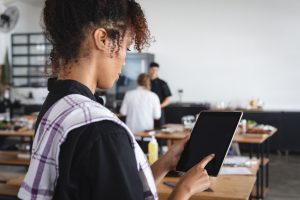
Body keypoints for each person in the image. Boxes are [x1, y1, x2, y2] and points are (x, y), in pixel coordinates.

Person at [18, 0, 214, 200]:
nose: (123, 60)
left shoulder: (57, 103)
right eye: (126, 48)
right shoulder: (103, 133)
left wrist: (164, 164)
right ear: (102, 39)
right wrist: (184, 190)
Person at [149, 62, 172, 128]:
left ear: (158, 70)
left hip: (159, 110)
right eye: (152, 69)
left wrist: (158, 107)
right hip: (146, 111)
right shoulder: (145, 82)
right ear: (149, 70)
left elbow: (168, 99)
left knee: (159, 129)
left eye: (156, 70)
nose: (154, 71)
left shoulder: (163, 83)